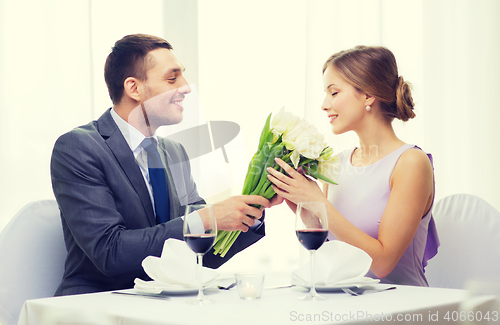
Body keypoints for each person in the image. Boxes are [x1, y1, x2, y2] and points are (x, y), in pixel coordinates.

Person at [50, 34, 276, 296]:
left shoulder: (174, 153)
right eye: (172, 78)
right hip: (96, 304)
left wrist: (252, 213)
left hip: (163, 302)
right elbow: (109, 251)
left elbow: (202, 254)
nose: (186, 87)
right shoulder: (79, 148)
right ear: (134, 88)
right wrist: (206, 218)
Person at [267, 45, 439, 286]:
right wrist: (304, 205)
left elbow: (382, 264)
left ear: (368, 95)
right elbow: (334, 252)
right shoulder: (336, 163)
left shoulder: (411, 163)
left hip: (401, 309)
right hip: (349, 305)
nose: (324, 104)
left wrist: (319, 203)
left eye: (334, 93)